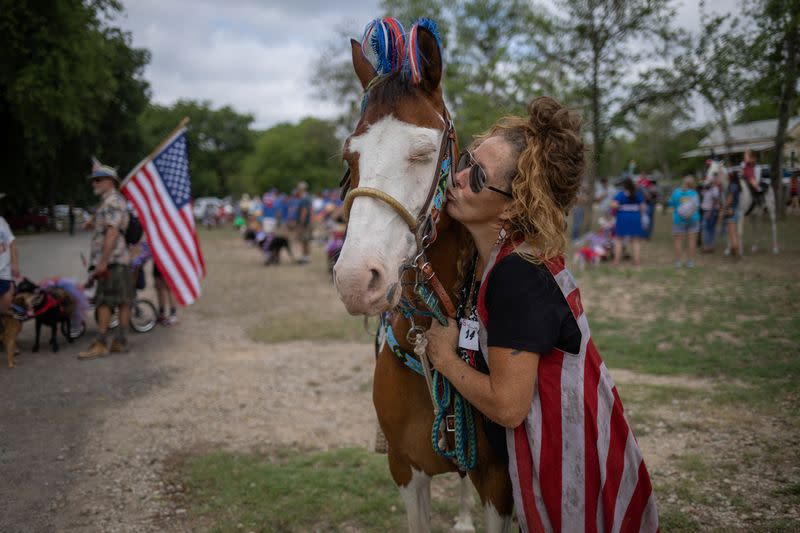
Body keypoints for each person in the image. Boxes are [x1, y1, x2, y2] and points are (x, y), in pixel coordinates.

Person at [425, 96, 658, 531]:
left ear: (513, 205)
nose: (456, 179)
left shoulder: (518, 275)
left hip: (565, 461)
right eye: (464, 162)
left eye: (477, 176)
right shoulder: (494, 260)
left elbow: (509, 406)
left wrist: (445, 359)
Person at [79, 159, 133, 359]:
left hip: (112, 262)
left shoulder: (112, 202)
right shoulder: (111, 201)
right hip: (119, 261)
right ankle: (120, 342)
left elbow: (112, 232)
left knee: (104, 302)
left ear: (110, 181)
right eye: (93, 180)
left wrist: (102, 262)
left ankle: (101, 344)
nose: (94, 183)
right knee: (123, 301)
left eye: (98, 180)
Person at [610, 177, 646, 266]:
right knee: (636, 240)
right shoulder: (637, 194)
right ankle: (637, 261)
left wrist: (618, 206)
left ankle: (616, 260)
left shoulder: (620, 194)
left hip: (623, 217)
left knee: (618, 239)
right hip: (635, 217)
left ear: (623, 185)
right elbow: (643, 207)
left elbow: (614, 205)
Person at [669, 176, 701, 267]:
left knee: (678, 241)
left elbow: (671, 203)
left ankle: (678, 262)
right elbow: (697, 206)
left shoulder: (676, 192)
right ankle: (690, 262)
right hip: (693, 219)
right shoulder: (694, 193)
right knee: (692, 241)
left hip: (679, 219)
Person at [0, 207, 21, 314]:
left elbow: (11, 243)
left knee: (5, 305)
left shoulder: (1, 221)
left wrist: (15, 263)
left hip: (3, 273)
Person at [723, 170, 742, 259]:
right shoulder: (737, 185)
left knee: (732, 233)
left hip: (731, 211)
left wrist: (724, 207)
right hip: (736, 210)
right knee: (734, 232)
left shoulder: (732, 186)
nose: (727, 176)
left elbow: (730, 198)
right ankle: (735, 250)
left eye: (728, 175)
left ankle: (736, 253)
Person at [701, 173, 722, 252]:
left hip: (710, 210)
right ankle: (710, 246)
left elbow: (715, 201)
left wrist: (710, 211)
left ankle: (707, 246)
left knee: (707, 228)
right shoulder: (708, 187)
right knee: (710, 228)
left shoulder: (715, 188)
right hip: (708, 209)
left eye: (714, 178)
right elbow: (703, 194)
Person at [294, 181, 313, 264]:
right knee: (305, 241)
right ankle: (306, 257)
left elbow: (304, 211)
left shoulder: (304, 198)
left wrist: (301, 223)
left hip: (304, 223)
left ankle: (305, 257)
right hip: (307, 222)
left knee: (304, 240)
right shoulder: (307, 197)